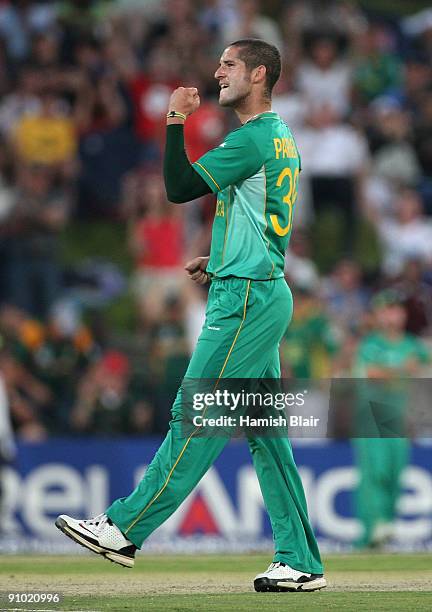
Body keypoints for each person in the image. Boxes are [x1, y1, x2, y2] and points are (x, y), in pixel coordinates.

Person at [55, 38, 326, 593]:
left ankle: (124, 528)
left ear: (258, 73)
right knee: (267, 435)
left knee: (197, 411)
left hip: (246, 300)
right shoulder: (280, 136)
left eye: (228, 64)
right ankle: (300, 560)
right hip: (259, 287)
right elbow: (264, 215)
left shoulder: (251, 138)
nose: (218, 72)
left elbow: (178, 188)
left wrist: (174, 119)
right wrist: (222, 259)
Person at [353, 290, 430, 547]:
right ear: (377, 315)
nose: (392, 315)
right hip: (373, 419)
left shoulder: (412, 345)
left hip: (399, 420)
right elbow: (372, 372)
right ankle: (371, 530)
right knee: (376, 473)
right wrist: (403, 368)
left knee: (396, 474)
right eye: (386, 310)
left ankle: (385, 527)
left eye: (396, 310)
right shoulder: (371, 344)